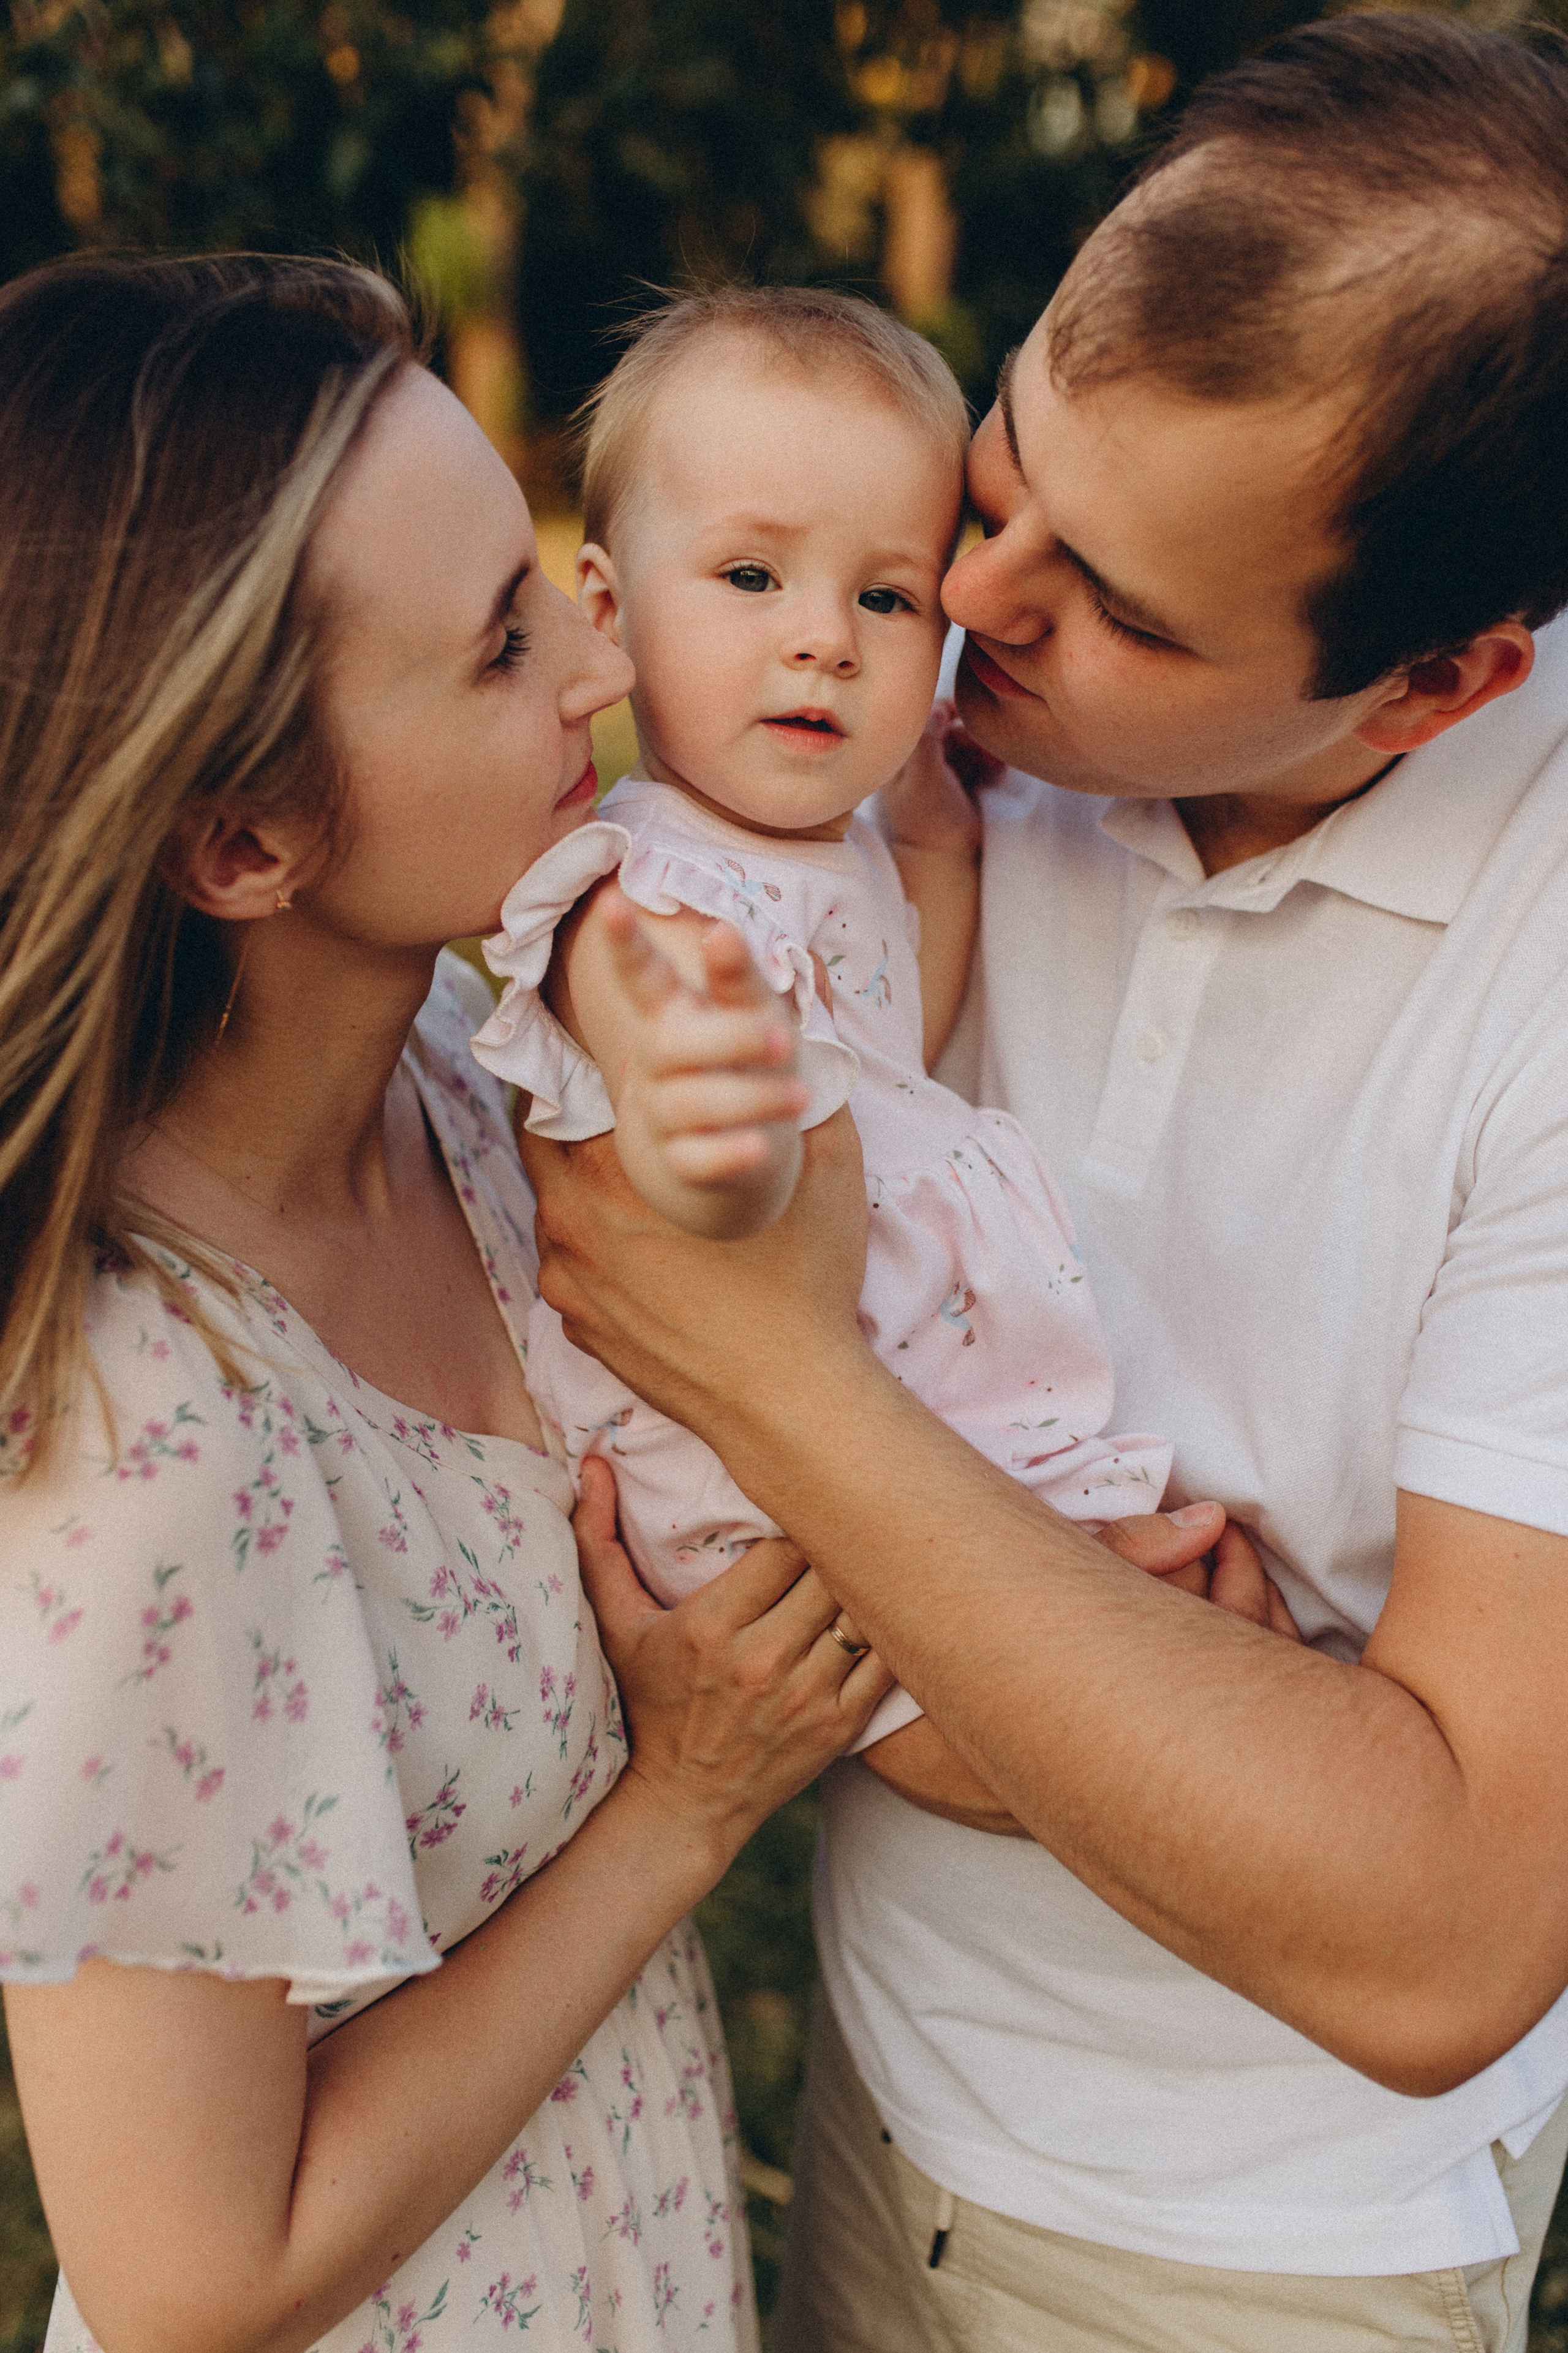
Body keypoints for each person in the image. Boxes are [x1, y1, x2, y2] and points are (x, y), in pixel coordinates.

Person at [522, 14, 1568, 2351]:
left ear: (1431, 688)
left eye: (1117, 603)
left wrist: (772, 1375)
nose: (965, 604)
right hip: (883, 2083)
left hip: (1252, 2249)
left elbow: (1445, 1935)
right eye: (993, 478)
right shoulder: (953, 726)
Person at [0, 252, 902, 2353]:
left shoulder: (460, 1084)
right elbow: (189, 2280)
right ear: (245, 842)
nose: (604, 662)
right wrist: (682, 1806)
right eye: (504, 642)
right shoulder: (150, 1453)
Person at [469, 285, 1170, 1753]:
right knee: (1009, 1730)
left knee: (1085, 1648)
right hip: (741, 1472)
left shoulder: (834, 848)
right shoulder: (637, 886)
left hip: (891, 1404)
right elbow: (657, 1064)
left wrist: (930, 839)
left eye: (885, 598)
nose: (824, 642)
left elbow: (895, 1028)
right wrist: (712, 1141)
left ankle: (1139, 1674)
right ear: (606, 609)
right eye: (750, 575)